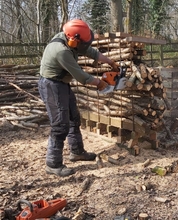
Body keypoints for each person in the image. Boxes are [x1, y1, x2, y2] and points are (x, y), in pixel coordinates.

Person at [38, 19, 118, 177]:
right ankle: (53, 164)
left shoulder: (70, 39)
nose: (85, 45)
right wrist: (99, 83)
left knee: (74, 118)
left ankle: (77, 152)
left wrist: (109, 61)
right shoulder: (61, 50)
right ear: (74, 40)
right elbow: (81, 76)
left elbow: (90, 51)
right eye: (83, 42)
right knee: (60, 124)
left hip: (61, 83)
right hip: (51, 85)